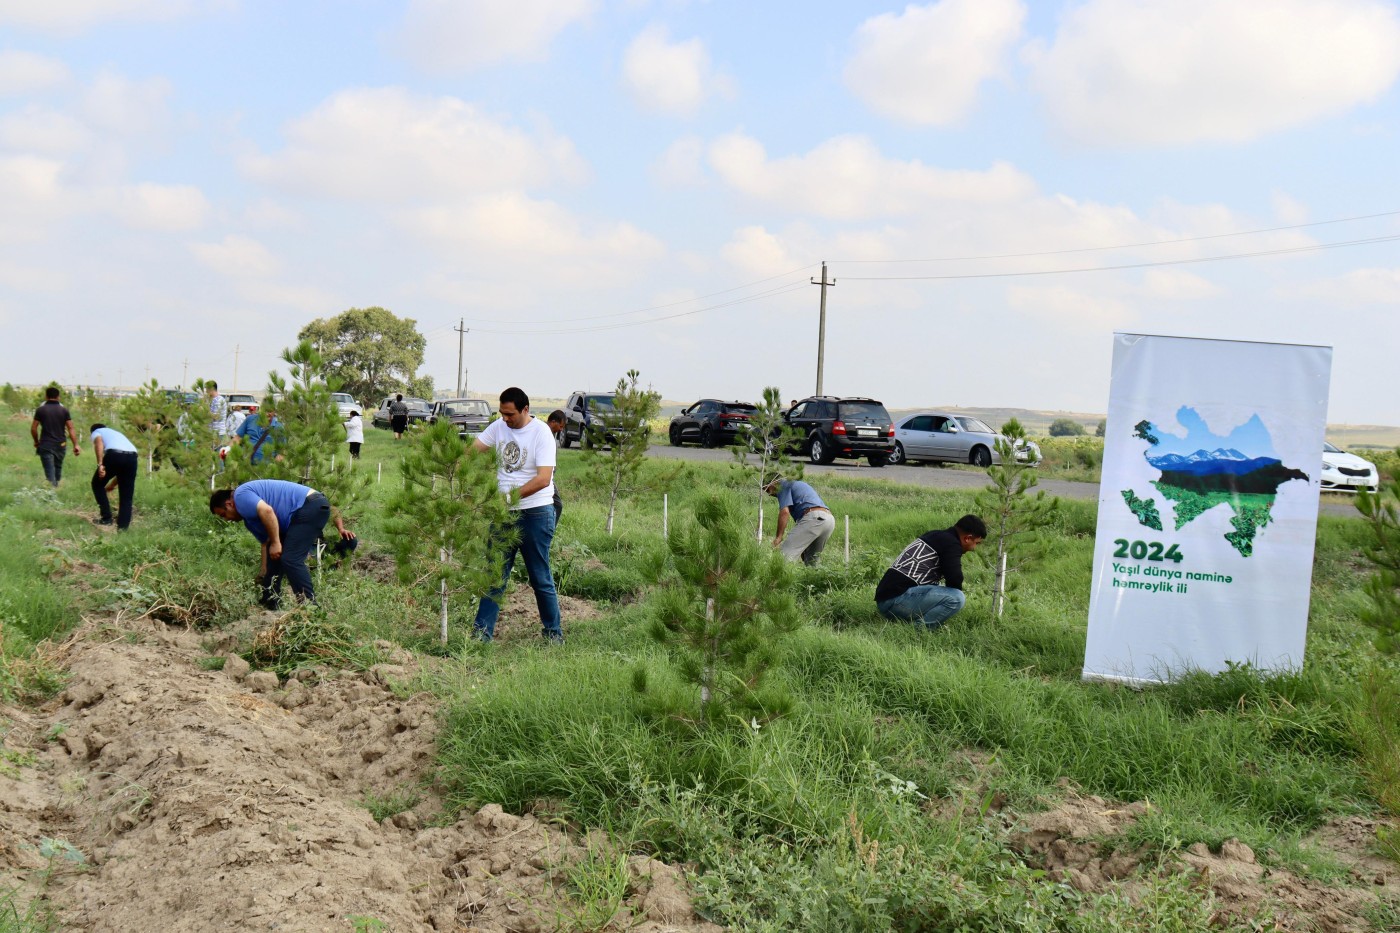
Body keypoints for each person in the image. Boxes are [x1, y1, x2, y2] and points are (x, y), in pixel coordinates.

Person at [471, 387, 561, 642]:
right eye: (502, 413)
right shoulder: (499, 426)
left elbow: (544, 479)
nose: (506, 418)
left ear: (525, 410)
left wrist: (508, 498)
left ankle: (553, 634)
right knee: (494, 575)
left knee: (539, 577)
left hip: (536, 513)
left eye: (510, 414)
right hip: (503, 515)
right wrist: (454, 466)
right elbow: (473, 450)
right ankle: (481, 636)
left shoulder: (541, 432)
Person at [209, 480, 356, 608]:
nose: (226, 519)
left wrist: (276, 542)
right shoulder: (249, 520)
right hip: (304, 511)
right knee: (276, 557)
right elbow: (267, 544)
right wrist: (263, 572)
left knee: (291, 559)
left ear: (229, 504)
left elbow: (267, 511)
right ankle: (269, 602)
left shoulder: (240, 496)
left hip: (309, 507)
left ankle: (310, 609)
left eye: (223, 514)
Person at [874, 515, 987, 630]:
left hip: (886, 599)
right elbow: (955, 579)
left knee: (943, 590)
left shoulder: (935, 535)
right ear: (967, 538)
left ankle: (913, 622)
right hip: (895, 601)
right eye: (976, 543)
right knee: (957, 598)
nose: (974, 548)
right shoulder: (951, 543)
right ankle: (919, 630)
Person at [764, 475, 835, 565]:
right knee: (811, 562)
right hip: (828, 520)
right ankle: (815, 578)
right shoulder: (797, 484)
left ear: (774, 483)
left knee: (783, 557)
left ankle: (776, 579)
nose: (769, 494)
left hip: (814, 518)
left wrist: (778, 538)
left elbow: (785, 512)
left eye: (767, 490)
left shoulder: (783, 485)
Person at [89, 423, 138, 529]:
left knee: (97, 484)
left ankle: (106, 518)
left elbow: (98, 443)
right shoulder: (116, 433)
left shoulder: (97, 432)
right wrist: (112, 485)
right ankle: (123, 529)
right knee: (126, 496)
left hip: (114, 455)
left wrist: (100, 464)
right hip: (133, 457)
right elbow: (122, 471)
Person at [31, 386, 81, 487]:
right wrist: (75, 444)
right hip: (61, 444)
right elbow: (71, 428)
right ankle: (56, 487)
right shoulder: (64, 410)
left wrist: (36, 441)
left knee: (49, 472)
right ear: (58, 397)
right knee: (57, 468)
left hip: (45, 445)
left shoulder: (40, 410)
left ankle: (52, 492)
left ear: (46, 396)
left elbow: (33, 428)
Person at [546, 409, 566, 522]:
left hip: (549, 477)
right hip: (543, 477)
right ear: (553, 422)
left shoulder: (552, 433)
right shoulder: (543, 432)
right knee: (557, 505)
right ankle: (548, 531)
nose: (561, 429)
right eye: (561, 426)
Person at [207, 381, 229, 451]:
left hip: (217, 432)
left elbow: (216, 417)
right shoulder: (212, 400)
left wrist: (204, 410)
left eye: (207, 389)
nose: (206, 391)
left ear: (212, 389)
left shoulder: (219, 400)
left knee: (217, 457)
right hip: (212, 431)